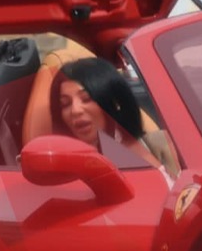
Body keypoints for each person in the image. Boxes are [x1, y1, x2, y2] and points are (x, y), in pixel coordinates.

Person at [29, 56, 176, 175]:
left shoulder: (166, 144)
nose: (75, 110)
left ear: (115, 102)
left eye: (86, 99)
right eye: (65, 104)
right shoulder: (67, 170)